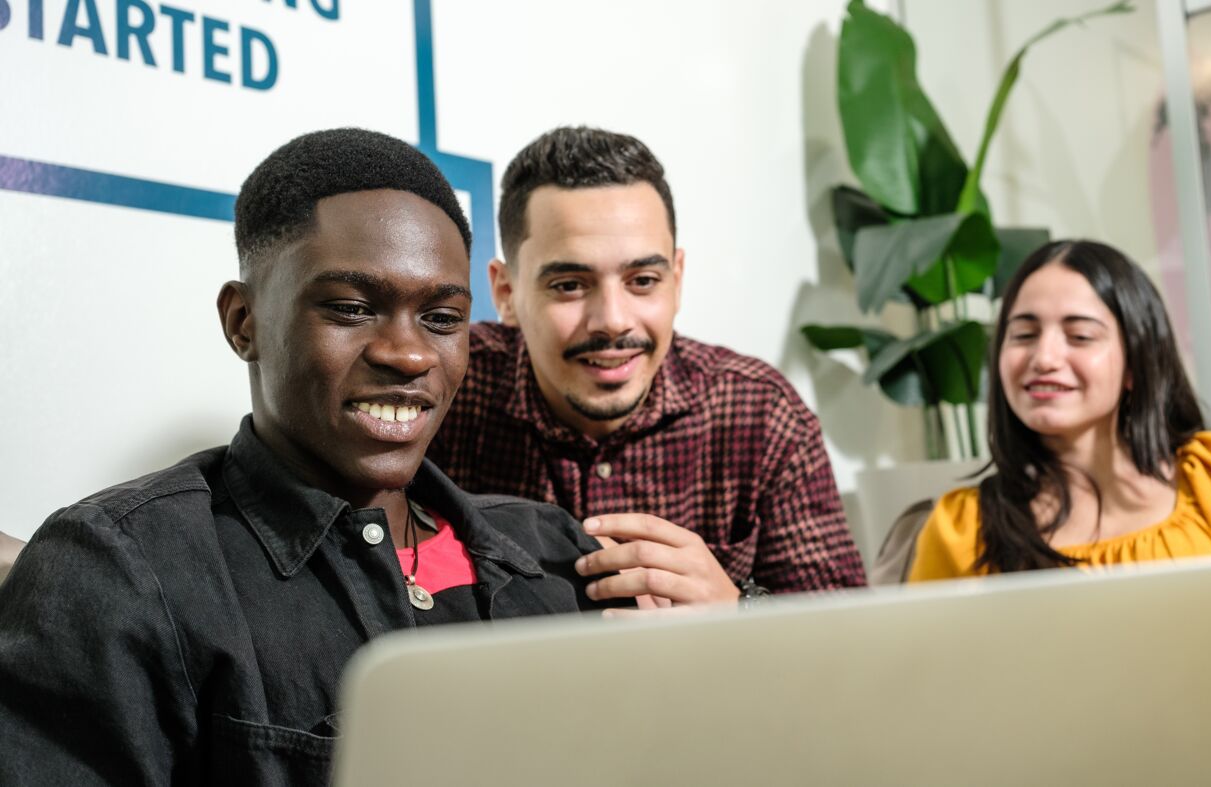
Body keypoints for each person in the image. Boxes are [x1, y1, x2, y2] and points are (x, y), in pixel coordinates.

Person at [0, 128, 629, 784]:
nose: (409, 355)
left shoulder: (554, 547)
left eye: (442, 319)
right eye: (353, 308)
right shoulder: (120, 571)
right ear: (243, 322)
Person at [907, 239, 1211, 783]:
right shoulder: (961, 527)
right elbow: (926, 718)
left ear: (1134, 364)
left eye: (1078, 335)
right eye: (1023, 334)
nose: (1044, 357)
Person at [428, 126, 866, 598]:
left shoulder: (759, 415)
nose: (614, 321)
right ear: (506, 293)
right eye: (570, 284)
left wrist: (740, 613)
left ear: (676, 281)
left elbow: (847, 639)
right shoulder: (443, 391)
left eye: (642, 280)